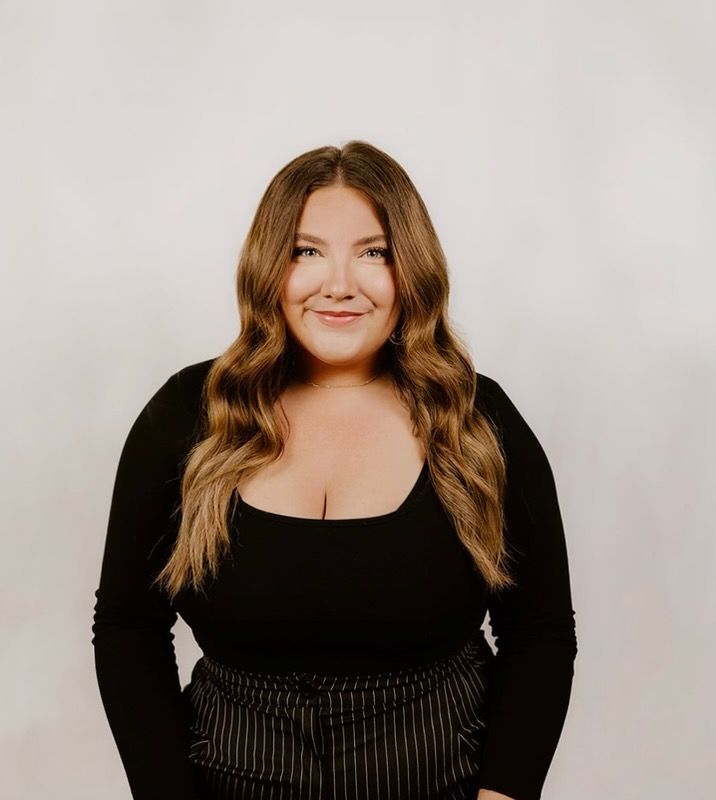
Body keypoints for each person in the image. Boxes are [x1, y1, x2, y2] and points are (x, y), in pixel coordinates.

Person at [91, 140, 578, 800]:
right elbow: (128, 626)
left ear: (411, 268)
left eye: (374, 253)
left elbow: (539, 632)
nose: (339, 284)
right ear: (269, 266)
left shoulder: (476, 421)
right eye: (306, 251)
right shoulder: (186, 416)